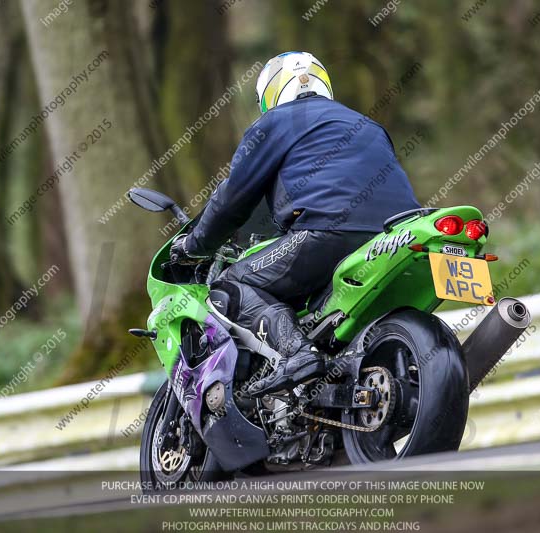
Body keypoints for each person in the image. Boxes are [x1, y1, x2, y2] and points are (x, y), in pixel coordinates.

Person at [171, 51, 420, 397]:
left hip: (327, 229)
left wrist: (194, 245)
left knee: (231, 283)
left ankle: (297, 354)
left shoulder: (274, 123)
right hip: (398, 231)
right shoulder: (366, 124)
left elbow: (232, 199)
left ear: (269, 95)